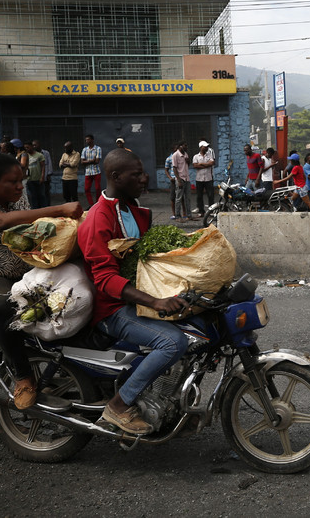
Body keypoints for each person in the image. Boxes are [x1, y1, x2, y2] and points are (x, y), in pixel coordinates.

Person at [0, 152, 82, 410]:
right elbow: (1, 222)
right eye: (13, 182)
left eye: (21, 181)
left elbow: (35, 226)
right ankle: (23, 376)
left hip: (23, 274)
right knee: (2, 305)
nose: (20, 187)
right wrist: (60, 208)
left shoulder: (17, 198)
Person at [77, 149, 191, 434]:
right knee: (173, 343)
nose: (145, 177)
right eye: (137, 174)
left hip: (134, 298)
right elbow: (104, 279)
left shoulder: (133, 210)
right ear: (116, 177)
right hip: (111, 309)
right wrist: (155, 301)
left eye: (143, 172)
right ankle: (119, 405)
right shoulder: (98, 218)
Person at [20, 140, 47, 208]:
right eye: (25, 148)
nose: (26, 149)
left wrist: (42, 176)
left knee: (41, 195)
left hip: (38, 178)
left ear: (32, 146)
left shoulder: (39, 155)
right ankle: (35, 209)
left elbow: (43, 166)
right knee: (33, 196)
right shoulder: (25, 156)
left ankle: (43, 209)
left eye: (28, 147)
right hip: (29, 179)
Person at [192, 140, 216, 216]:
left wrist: (201, 164)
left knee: (210, 195)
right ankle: (201, 211)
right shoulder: (196, 156)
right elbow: (195, 166)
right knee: (199, 196)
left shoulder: (209, 155)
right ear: (201, 147)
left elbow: (212, 163)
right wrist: (206, 165)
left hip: (208, 178)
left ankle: (211, 211)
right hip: (199, 179)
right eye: (205, 146)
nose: (207, 148)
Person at [171, 141, 192, 219]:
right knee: (179, 198)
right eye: (185, 145)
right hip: (180, 179)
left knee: (188, 198)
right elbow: (174, 168)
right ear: (180, 146)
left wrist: (188, 161)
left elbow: (187, 165)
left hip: (187, 178)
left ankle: (189, 215)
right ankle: (177, 215)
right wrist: (179, 180)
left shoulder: (185, 154)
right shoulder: (175, 155)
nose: (187, 147)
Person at [81, 134, 102, 206]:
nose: (87, 141)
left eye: (88, 139)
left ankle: (98, 203)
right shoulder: (84, 149)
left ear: (92, 140)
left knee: (97, 188)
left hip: (96, 171)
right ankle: (91, 204)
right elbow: (82, 162)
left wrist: (87, 161)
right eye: (86, 140)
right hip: (88, 172)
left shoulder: (98, 149)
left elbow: (97, 161)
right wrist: (91, 161)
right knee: (86, 189)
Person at [34, 139, 53, 205]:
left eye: (35, 145)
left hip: (45, 177)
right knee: (38, 193)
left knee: (46, 193)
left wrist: (49, 174)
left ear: (39, 145)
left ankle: (47, 206)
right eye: (33, 145)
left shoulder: (46, 153)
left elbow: (49, 163)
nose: (34, 146)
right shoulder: (33, 154)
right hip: (36, 178)